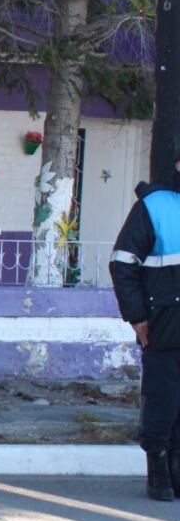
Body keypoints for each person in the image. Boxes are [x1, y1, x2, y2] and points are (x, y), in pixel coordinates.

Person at [111, 157, 180, 502]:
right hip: (165, 323)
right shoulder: (153, 206)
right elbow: (122, 263)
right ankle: (158, 472)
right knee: (163, 398)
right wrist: (137, 317)